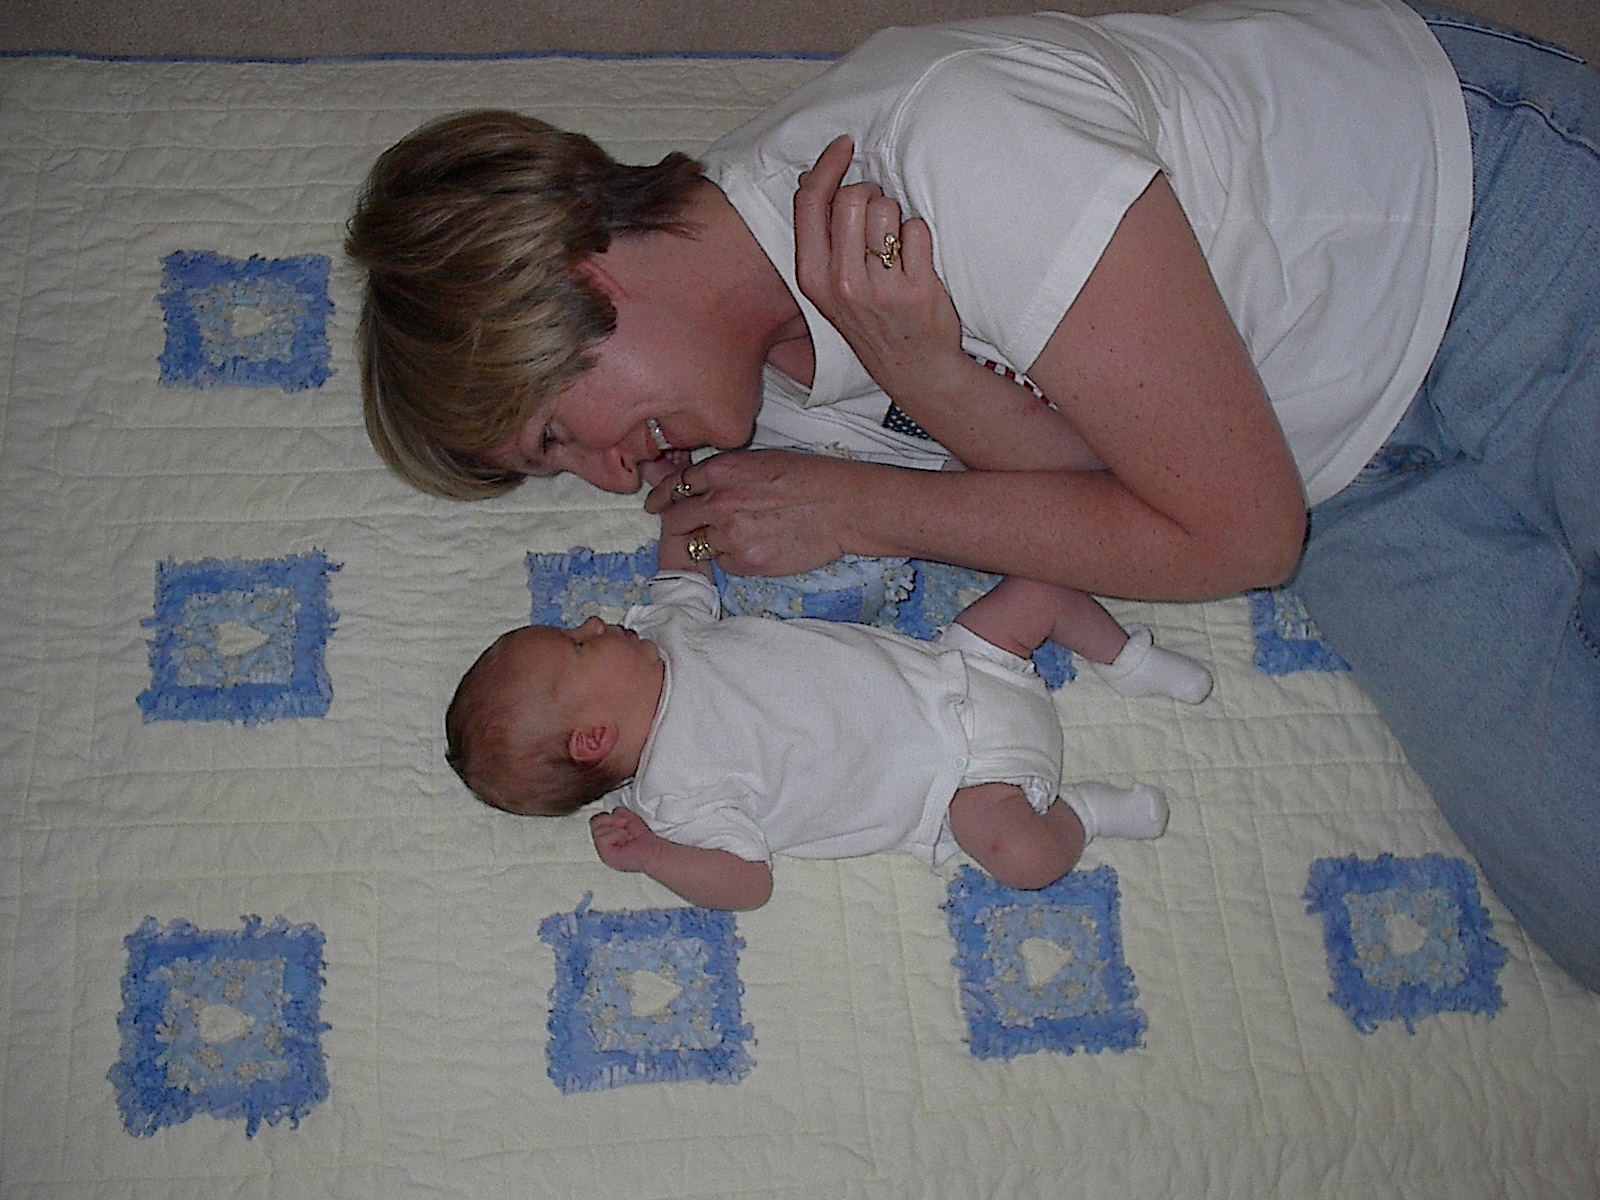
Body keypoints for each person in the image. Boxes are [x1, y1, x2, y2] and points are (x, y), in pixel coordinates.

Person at [347, 0, 1600, 989]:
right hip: (1332, 471)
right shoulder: (765, 406)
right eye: (560, 469)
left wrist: (866, 506)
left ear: (580, 275)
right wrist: (928, 379)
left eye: (562, 432)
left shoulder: (949, 146)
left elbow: (1234, 536)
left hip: (1467, 228)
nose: (612, 476)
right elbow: (1131, 500)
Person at [445, 533, 1172, 910]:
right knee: (1026, 861)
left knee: (1039, 591)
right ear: (593, 739)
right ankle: (1087, 814)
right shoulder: (675, 798)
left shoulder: (666, 633)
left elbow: (688, 566)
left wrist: (686, 509)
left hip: (966, 666)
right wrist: (652, 858)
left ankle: (1127, 659)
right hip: (965, 787)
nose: (598, 620)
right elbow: (746, 882)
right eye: (579, 643)